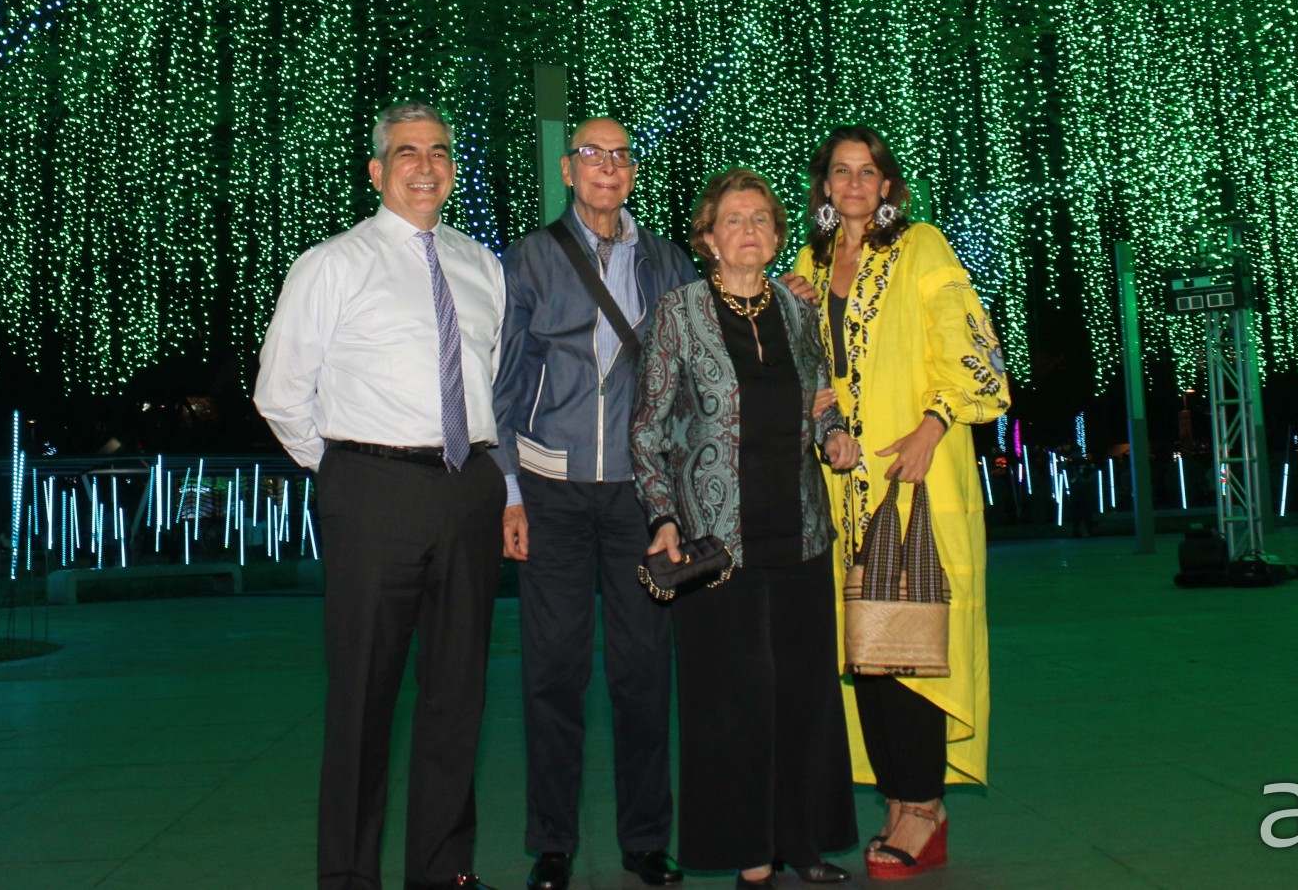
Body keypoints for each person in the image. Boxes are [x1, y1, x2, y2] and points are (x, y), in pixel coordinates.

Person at [254, 102, 516, 890]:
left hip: (467, 489)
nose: (425, 164)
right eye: (407, 151)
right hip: (371, 490)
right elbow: (280, 393)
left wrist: (496, 489)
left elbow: (489, 387)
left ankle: (441, 871)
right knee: (364, 700)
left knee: (457, 694)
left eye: (439, 150)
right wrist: (345, 468)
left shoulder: (481, 266)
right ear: (376, 170)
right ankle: (349, 876)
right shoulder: (331, 263)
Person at [785, 127, 1013, 881]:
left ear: (887, 185)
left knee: (909, 643)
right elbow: (790, 364)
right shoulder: (811, 264)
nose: (853, 183)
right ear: (824, 186)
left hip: (914, 478)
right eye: (840, 172)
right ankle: (899, 799)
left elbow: (974, 349)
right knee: (867, 652)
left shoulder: (921, 248)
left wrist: (935, 421)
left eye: (868, 171)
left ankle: (924, 809)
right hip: (840, 489)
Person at [630, 168, 862, 889]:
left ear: (776, 233)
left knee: (804, 693)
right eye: (733, 219)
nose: (749, 230)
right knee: (731, 704)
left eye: (761, 217)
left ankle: (805, 841)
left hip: (799, 532)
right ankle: (750, 848)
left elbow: (820, 394)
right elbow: (649, 429)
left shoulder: (798, 311)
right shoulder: (678, 313)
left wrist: (833, 433)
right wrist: (664, 515)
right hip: (715, 540)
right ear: (706, 236)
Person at [492, 118, 698, 890]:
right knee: (553, 670)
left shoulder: (668, 260)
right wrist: (509, 490)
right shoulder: (533, 257)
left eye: (619, 157)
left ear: (631, 173)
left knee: (643, 672)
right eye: (591, 156)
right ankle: (551, 844)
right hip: (552, 488)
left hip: (642, 497)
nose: (607, 168)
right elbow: (506, 383)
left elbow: (694, 371)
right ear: (567, 170)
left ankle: (646, 839)